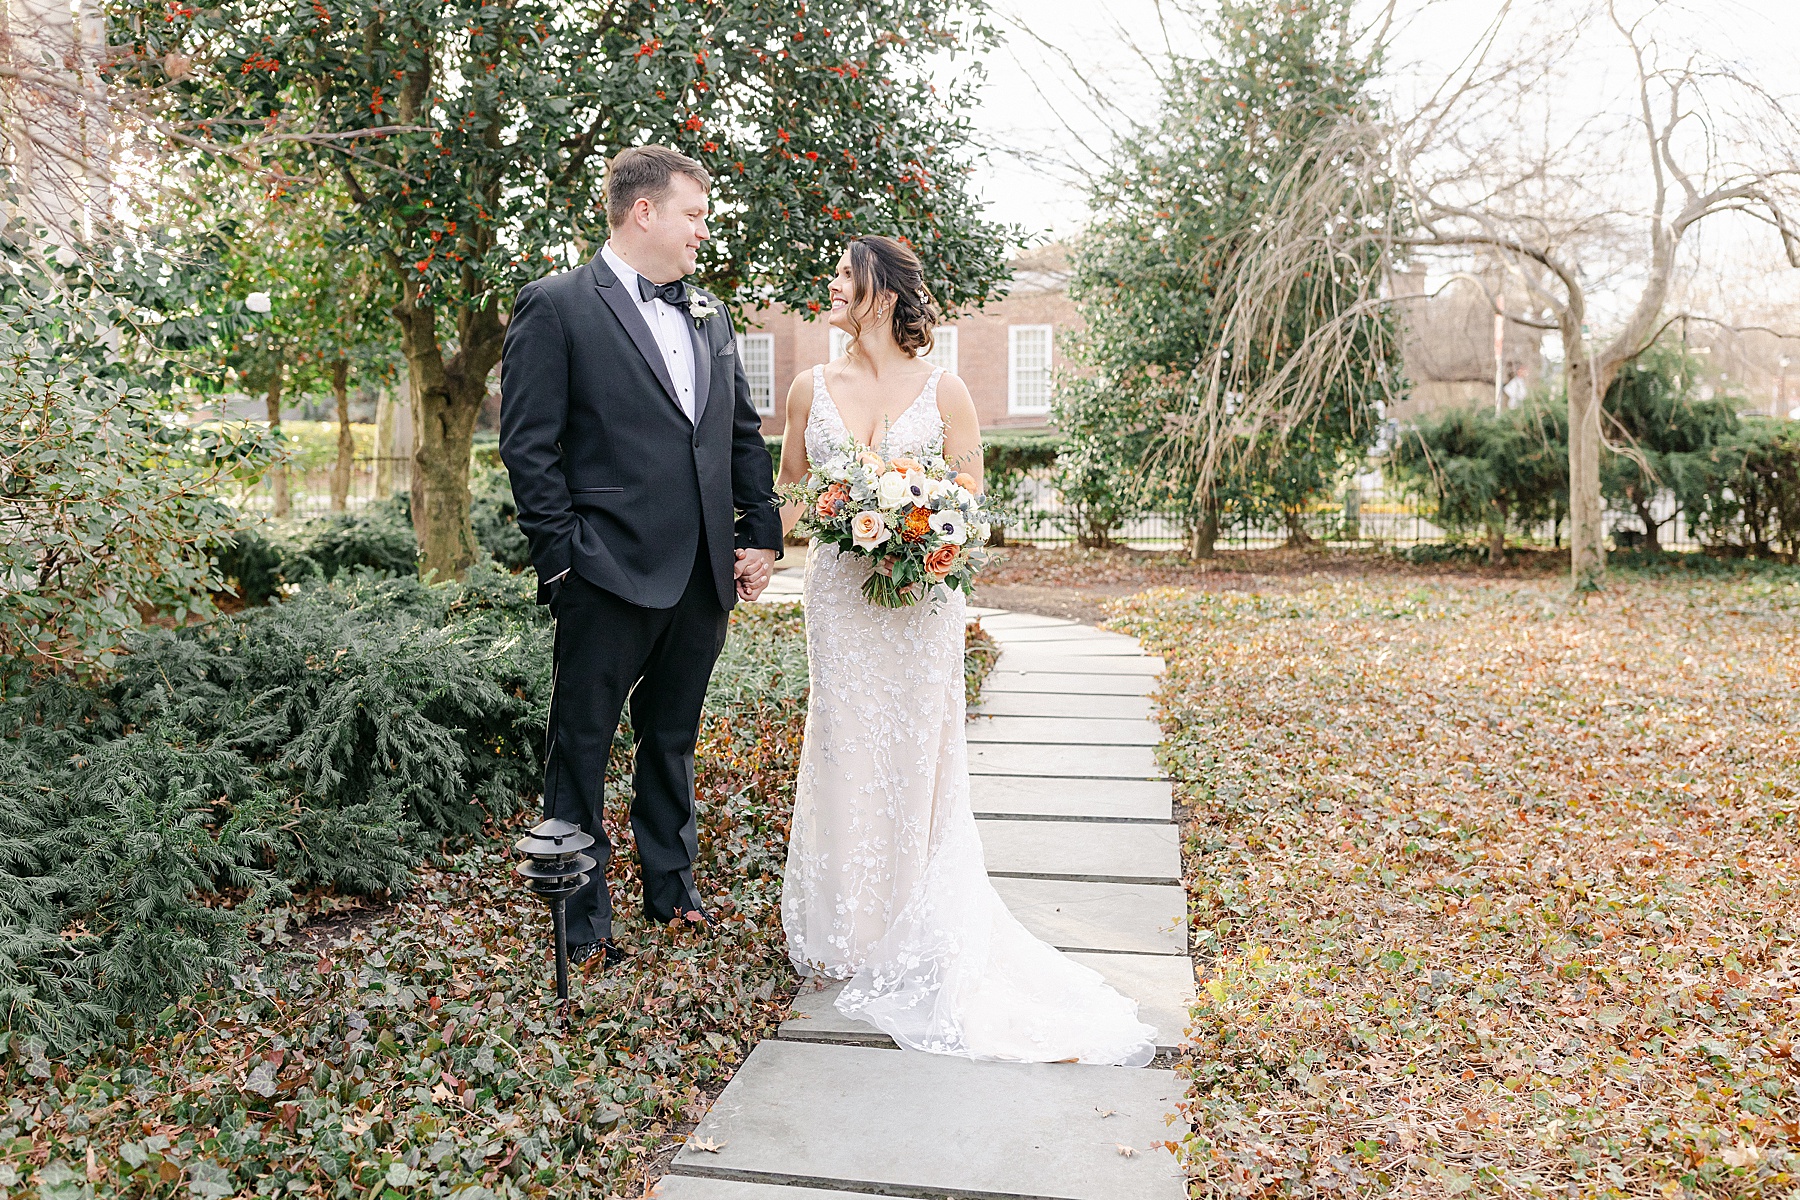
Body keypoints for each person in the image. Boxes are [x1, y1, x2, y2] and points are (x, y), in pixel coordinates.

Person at [774, 235, 1157, 1066]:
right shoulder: (809, 388)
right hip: (840, 601)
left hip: (920, 605)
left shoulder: (946, 389)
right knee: (843, 749)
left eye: (844, 274)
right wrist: (751, 555)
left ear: (880, 292)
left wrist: (916, 520)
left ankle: (916, 920)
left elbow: (970, 498)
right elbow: (791, 494)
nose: (832, 285)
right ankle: (850, 928)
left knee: (918, 754)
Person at [499, 146, 782, 969]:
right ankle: (581, 920)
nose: (703, 230)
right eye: (693, 214)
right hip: (605, 571)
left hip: (701, 575)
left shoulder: (711, 316)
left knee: (673, 736)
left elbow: (737, 431)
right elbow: (530, 447)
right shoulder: (555, 307)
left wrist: (758, 531)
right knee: (581, 744)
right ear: (644, 212)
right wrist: (562, 562)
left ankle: (673, 888)